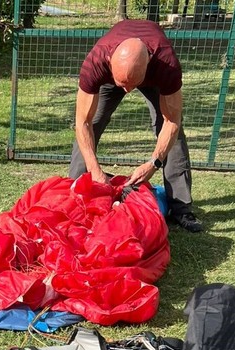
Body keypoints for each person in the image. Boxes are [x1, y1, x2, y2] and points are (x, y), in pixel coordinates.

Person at [69, 19, 202, 232]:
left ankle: (181, 208)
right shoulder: (95, 62)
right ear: (109, 61)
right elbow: (82, 122)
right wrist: (94, 169)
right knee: (92, 123)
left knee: (172, 134)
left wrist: (153, 163)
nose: (128, 91)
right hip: (114, 77)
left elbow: (172, 122)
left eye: (133, 85)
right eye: (123, 84)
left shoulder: (166, 64)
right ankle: (76, 194)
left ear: (148, 63)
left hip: (152, 78)